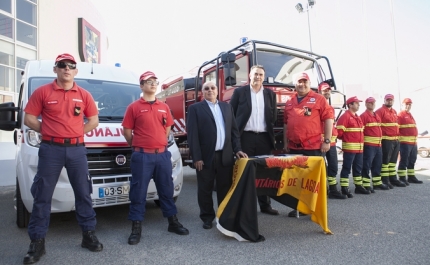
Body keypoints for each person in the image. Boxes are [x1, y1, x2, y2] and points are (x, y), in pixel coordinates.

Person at [22, 53, 102, 264]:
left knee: (83, 193)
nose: (67, 68)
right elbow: (29, 118)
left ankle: (88, 235)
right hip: (51, 149)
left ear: (76, 71)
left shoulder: (84, 95)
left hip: (76, 150)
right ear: (55, 69)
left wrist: (76, 133)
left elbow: (94, 120)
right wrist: (49, 130)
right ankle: (37, 242)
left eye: (71, 65)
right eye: (62, 65)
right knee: (42, 196)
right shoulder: (43, 92)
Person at [122, 71, 189, 245]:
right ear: (141, 85)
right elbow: (127, 132)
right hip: (142, 155)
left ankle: (172, 222)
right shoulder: (133, 107)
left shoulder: (164, 106)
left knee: (166, 190)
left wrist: (158, 143)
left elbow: (167, 129)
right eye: (148, 81)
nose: (153, 84)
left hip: (161, 155)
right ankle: (136, 228)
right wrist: (138, 146)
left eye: (155, 81)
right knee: (138, 192)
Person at [187, 81, 247, 229]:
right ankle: (207, 218)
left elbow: (234, 132)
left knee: (224, 188)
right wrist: (197, 157)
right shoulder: (195, 109)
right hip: (205, 157)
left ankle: (223, 215)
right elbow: (192, 135)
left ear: (217, 90)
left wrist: (237, 149)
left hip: (225, 156)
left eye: (212, 88)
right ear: (202, 92)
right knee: (205, 189)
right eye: (206, 89)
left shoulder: (227, 107)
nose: (210, 90)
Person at [230, 65, 279, 216]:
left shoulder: (270, 94)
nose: (258, 77)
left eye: (261, 75)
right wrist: (235, 142)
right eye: (255, 74)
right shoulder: (239, 92)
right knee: (244, 172)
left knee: (264, 173)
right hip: (246, 137)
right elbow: (231, 116)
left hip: (264, 138)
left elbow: (274, 116)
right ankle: (243, 206)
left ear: (264, 77)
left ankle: (265, 206)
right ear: (250, 75)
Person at [283, 72, 333, 216]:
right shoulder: (290, 101)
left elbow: (328, 119)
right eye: (299, 81)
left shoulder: (319, 99)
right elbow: (286, 123)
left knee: (315, 181)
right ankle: (301, 208)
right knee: (298, 180)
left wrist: (327, 141)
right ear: (295, 84)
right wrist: (286, 142)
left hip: (313, 147)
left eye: (305, 81)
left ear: (309, 83)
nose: (302, 84)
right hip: (294, 148)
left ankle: (318, 209)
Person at [336, 96, 370, 197]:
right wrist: (348, 140)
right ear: (350, 105)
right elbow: (339, 133)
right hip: (350, 148)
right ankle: (344, 188)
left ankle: (358, 186)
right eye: (356, 103)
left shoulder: (357, 116)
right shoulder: (345, 116)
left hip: (359, 149)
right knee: (346, 168)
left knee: (358, 168)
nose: (359, 105)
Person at [318, 83, 346, 199]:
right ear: (319, 91)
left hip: (332, 142)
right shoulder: (317, 106)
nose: (327, 92)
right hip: (321, 142)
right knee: (321, 166)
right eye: (324, 90)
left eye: (328, 90)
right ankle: (322, 190)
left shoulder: (330, 107)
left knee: (333, 166)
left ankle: (333, 189)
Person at [375, 94, 406, 188]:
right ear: (384, 100)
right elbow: (377, 125)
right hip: (386, 140)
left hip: (395, 139)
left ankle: (393, 178)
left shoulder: (394, 111)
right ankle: (385, 180)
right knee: (385, 161)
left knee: (393, 162)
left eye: (391, 100)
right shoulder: (380, 111)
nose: (389, 101)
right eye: (388, 100)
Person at [360, 97, 389, 192]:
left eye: (373, 103)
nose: (372, 104)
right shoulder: (363, 116)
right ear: (366, 104)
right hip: (369, 145)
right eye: (370, 103)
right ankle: (366, 184)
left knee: (377, 164)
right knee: (367, 164)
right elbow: (361, 131)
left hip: (378, 145)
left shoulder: (376, 115)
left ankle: (377, 183)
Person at [397, 98, 423, 184]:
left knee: (412, 160)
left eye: (409, 104)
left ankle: (411, 177)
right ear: (402, 105)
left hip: (413, 143)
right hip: (405, 143)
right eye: (406, 104)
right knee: (404, 160)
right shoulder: (400, 115)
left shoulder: (410, 115)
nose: (408, 106)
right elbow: (397, 129)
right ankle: (402, 177)